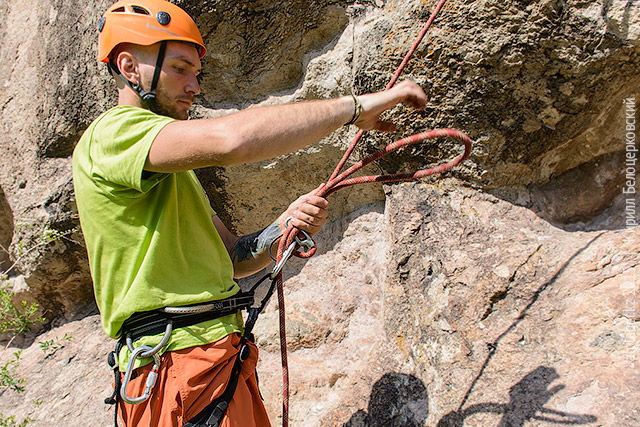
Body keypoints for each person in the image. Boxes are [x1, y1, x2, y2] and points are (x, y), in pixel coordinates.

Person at [72, 0, 428, 426]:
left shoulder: (172, 175)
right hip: (176, 369)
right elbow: (231, 140)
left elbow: (234, 258)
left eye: (196, 74)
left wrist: (283, 226)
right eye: (181, 68)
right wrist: (355, 108)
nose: (194, 86)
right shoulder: (112, 135)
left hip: (216, 363)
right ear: (130, 67)